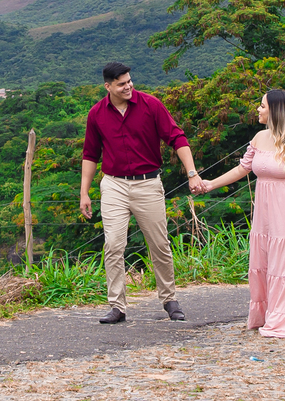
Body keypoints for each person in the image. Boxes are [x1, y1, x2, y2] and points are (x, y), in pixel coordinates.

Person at [80, 62, 203, 324]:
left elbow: (177, 138)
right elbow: (90, 154)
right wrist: (84, 192)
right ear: (108, 86)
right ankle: (117, 306)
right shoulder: (96, 114)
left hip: (148, 183)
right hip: (113, 184)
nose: (128, 86)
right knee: (113, 245)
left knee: (159, 244)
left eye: (129, 81)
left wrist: (192, 172)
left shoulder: (151, 105)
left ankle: (169, 299)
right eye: (122, 83)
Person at [200, 88, 285, 337]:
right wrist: (210, 184)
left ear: (275, 111)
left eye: (262, 106)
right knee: (268, 263)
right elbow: (242, 169)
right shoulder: (259, 138)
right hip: (266, 214)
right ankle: (271, 313)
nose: (258, 110)